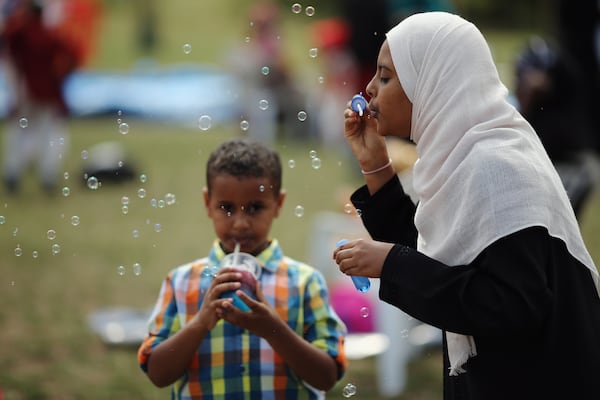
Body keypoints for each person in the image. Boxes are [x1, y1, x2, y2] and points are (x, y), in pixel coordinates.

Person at [333, 12, 600, 400]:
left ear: (433, 82)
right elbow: (438, 259)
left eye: (386, 76)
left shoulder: (496, 166)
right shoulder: (462, 157)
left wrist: (391, 263)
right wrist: (375, 165)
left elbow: (510, 304)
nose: (370, 88)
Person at [138, 138, 348, 399]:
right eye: (226, 208)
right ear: (207, 202)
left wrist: (273, 329)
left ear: (278, 204)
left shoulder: (305, 282)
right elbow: (158, 374)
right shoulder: (181, 282)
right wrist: (201, 323)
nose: (239, 223)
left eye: (255, 208)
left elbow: (327, 376)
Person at [1, 0, 79, 194]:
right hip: (47, 94)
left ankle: (13, 173)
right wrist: (60, 75)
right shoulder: (49, 35)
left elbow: (8, 52)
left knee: (19, 132)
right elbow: (73, 53)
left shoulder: (18, 33)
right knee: (50, 133)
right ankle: (48, 175)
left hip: (24, 92)